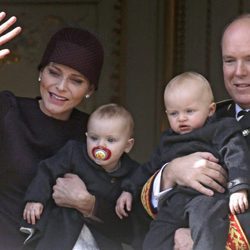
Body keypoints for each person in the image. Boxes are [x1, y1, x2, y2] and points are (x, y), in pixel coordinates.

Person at [141, 13, 250, 249]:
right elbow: (134, 202)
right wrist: (171, 173)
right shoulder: (201, 116)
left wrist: (201, 237)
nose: (239, 71)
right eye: (230, 60)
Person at [0, 11, 106, 250]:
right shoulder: (8, 110)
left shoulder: (95, 132)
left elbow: (129, 221)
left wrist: (90, 205)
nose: (60, 87)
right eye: (54, 72)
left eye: (76, 80)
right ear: (40, 72)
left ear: (90, 89)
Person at [116, 71, 250, 249]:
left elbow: (235, 156)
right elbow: (148, 168)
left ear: (210, 110)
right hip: (176, 200)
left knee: (207, 229)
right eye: (174, 113)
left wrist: (239, 188)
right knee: (154, 236)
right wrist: (128, 190)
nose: (181, 118)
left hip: (208, 198)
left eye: (189, 111)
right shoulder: (169, 140)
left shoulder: (221, 128)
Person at [21, 103, 144, 250]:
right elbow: (47, 170)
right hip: (63, 231)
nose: (101, 145)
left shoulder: (134, 172)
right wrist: (36, 199)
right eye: (94, 138)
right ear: (86, 137)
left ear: (127, 146)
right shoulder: (74, 153)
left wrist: (128, 191)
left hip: (101, 240)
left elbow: (135, 207)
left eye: (110, 140)